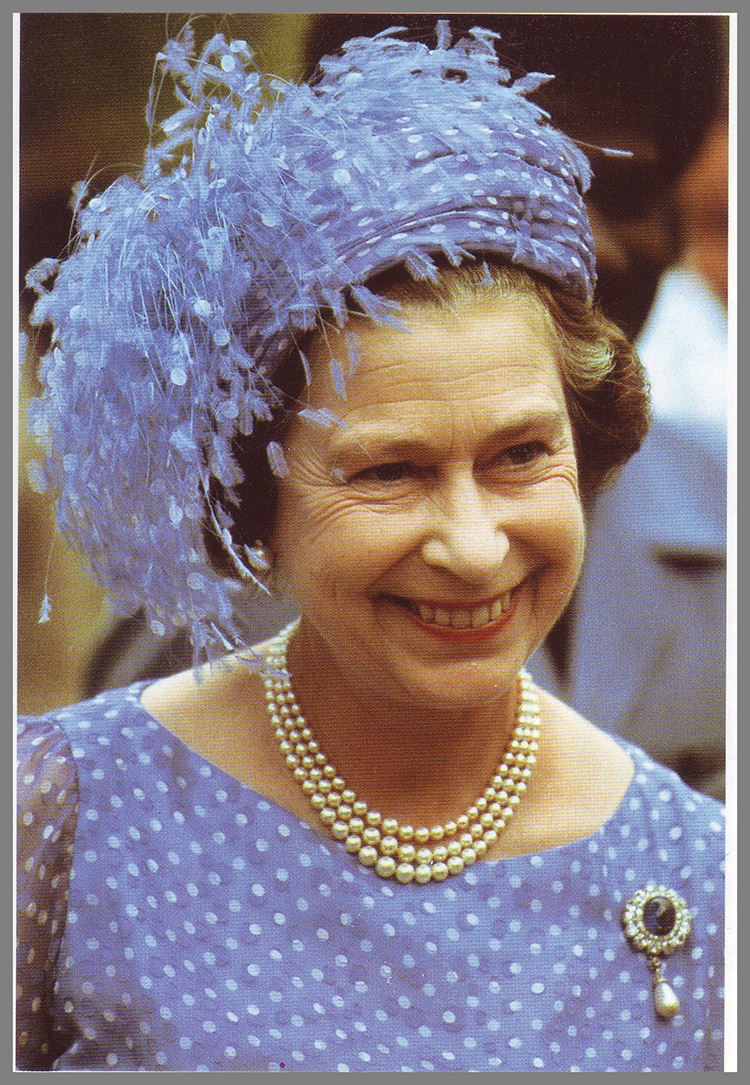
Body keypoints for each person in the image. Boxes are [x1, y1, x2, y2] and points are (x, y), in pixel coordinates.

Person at [17, 24, 725, 1071]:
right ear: (254, 499)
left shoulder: (704, 868)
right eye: (388, 471)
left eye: (522, 454)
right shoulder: (66, 806)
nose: (477, 546)